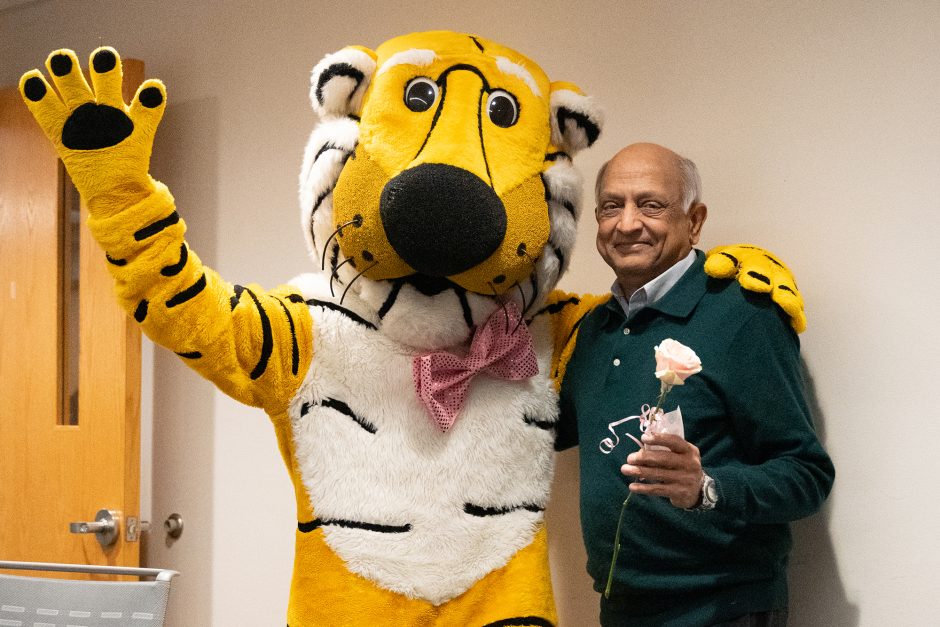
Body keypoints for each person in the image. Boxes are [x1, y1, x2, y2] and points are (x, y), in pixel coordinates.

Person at [556, 143, 835, 626]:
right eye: (610, 206)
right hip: (620, 606)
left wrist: (706, 488)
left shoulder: (743, 314)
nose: (626, 224)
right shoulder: (592, 327)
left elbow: (807, 475)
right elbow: (549, 434)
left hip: (723, 608)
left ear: (695, 220)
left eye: (651, 205)